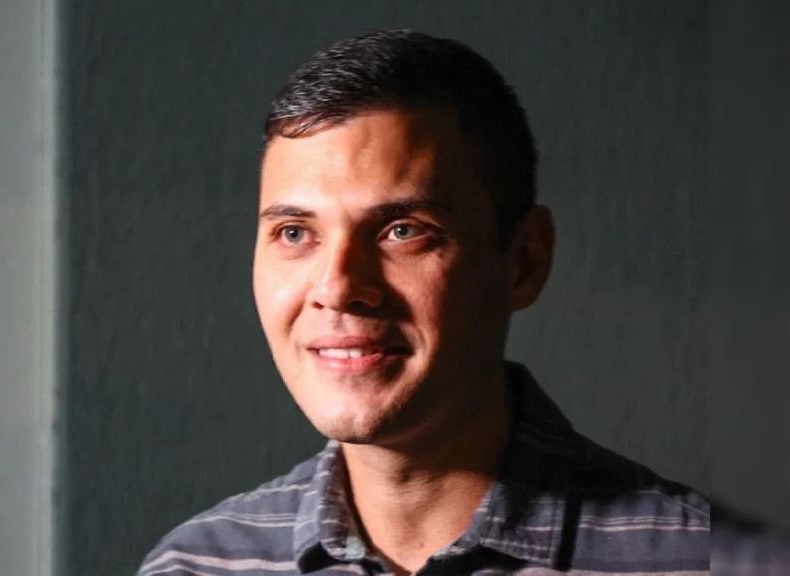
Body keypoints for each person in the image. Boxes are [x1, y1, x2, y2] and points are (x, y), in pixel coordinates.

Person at [137, 29, 709, 576]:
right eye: (294, 233)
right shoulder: (194, 566)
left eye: (403, 231)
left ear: (524, 262)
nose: (337, 287)